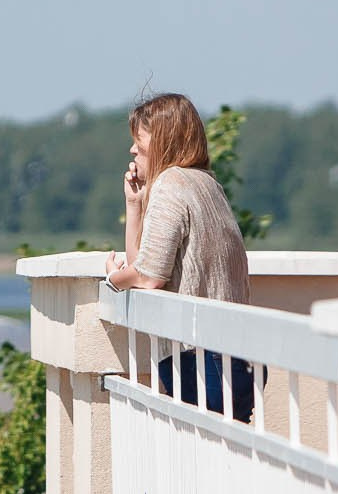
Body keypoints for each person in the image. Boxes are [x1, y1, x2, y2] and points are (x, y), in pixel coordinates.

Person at [104, 91, 255, 423]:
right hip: (237, 357)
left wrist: (113, 279)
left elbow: (148, 276)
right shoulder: (207, 183)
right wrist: (135, 205)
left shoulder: (171, 184)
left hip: (200, 361)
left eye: (138, 141)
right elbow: (147, 261)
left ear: (162, 140)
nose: (132, 150)